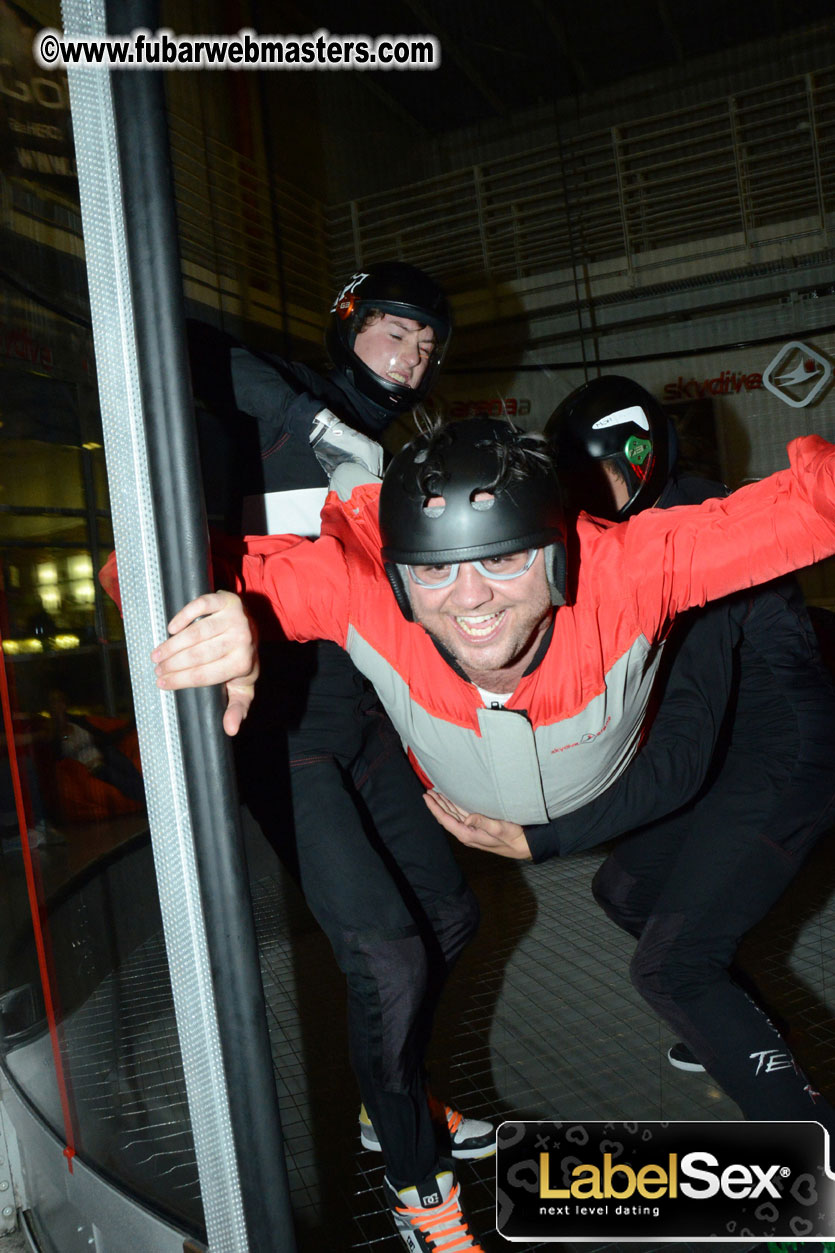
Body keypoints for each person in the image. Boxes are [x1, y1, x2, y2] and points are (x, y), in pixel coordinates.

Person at [152, 416, 835, 1168]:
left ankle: (810, 1161)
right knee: (617, 899)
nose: (469, 603)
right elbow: (138, 560)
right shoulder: (356, 584)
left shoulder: (635, 565)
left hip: (696, 776)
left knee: (673, 957)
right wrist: (219, 616)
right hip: (542, 793)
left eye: (504, 558)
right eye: (433, 570)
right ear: (397, 571)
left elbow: (814, 504)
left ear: (558, 553)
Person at [434, 376, 835, 1133]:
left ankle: (813, 1176)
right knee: (624, 890)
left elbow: (679, 752)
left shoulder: (692, 535)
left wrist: (545, 836)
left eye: (603, 480)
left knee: (670, 969)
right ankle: (744, 1030)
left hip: (781, 761)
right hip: (728, 755)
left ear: (644, 461)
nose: (590, 504)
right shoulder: (643, 520)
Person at [185, 264, 492, 1253]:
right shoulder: (274, 398)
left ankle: (386, 1096)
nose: (410, 358)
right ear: (348, 322)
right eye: (395, 333)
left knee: (449, 910)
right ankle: (417, 1187)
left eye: (426, 347)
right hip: (277, 727)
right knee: (387, 951)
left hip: (359, 715)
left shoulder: (395, 446)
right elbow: (184, 347)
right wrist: (308, 418)